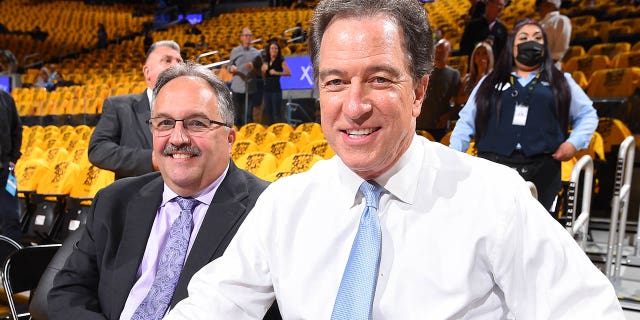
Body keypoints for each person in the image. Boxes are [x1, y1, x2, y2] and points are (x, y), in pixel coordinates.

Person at [165, 1, 622, 319]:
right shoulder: (284, 204)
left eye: (380, 79)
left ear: (419, 91)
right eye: (336, 82)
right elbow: (212, 306)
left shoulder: (496, 200)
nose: (355, 105)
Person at [48, 62, 275, 319]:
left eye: (197, 123)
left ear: (229, 139)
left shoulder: (267, 210)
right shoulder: (114, 200)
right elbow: (68, 293)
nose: (178, 138)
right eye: (165, 123)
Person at [449, 19, 598, 211]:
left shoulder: (562, 81)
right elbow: (467, 121)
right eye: (524, 37)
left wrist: (574, 142)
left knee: (534, 233)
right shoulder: (489, 81)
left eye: (537, 38)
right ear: (512, 45)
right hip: (492, 166)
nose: (531, 42)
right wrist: (453, 154)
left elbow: (588, 114)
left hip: (542, 168)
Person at [88, 40, 183, 180]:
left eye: (179, 61)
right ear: (147, 72)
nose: (176, 65)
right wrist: (150, 160)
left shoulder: (192, 110)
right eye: (167, 60)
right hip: (137, 196)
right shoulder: (119, 106)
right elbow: (98, 149)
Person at [416, 38, 460, 141]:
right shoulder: (423, 70)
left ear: (449, 54)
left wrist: (447, 116)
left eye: (442, 51)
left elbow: (457, 103)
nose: (438, 54)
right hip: (418, 124)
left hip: (438, 127)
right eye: (437, 51)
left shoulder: (454, 74)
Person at [228, 27, 262, 126]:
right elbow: (229, 67)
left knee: (248, 113)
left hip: (250, 87)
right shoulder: (235, 51)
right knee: (237, 114)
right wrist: (231, 68)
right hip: (237, 86)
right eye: (246, 35)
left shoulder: (256, 53)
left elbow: (261, 71)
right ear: (241, 37)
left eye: (250, 36)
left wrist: (254, 67)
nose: (248, 38)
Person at [0, 90, 22, 242]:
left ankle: (10, 260)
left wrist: (13, 158)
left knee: (11, 217)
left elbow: (17, 129)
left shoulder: (6, 98)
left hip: (4, 170)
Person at [455, 41, 494, 108]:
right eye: (478, 53)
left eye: (485, 53)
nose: (481, 57)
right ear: (474, 58)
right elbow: (458, 100)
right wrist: (470, 97)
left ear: (489, 57)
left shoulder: (494, 78)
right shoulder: (467, 78)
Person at [261, 40, 291, 125]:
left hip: (276, 89)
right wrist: (263, 71)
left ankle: (278, 129)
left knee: (276, 112)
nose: (274, 50)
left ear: (278, 50)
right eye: (272, 48)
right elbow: (264, 77)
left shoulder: (281, 60)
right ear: (269, 50)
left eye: (276, 48)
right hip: (267, 89)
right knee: (268, 111)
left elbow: (289, 73)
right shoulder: (266, 61)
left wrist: (276, 73)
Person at [538, 0, 572, 69]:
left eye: (543, 4)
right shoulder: (539, 23)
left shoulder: (561, 20)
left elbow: (559, 52)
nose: (540, 8)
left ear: (551, 5)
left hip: (549, 70)